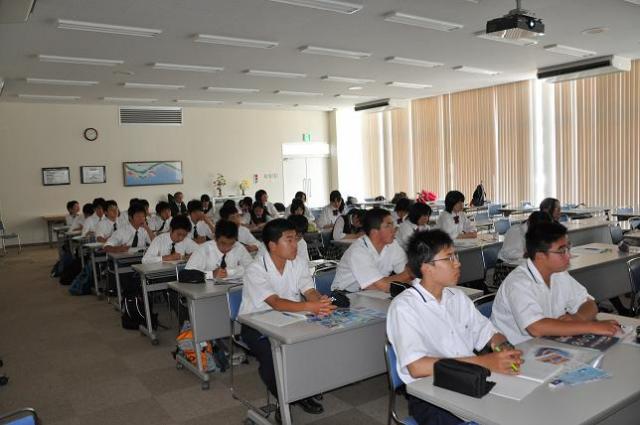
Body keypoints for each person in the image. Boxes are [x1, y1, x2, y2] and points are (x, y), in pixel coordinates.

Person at [387, 229, 522, 425]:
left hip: (469, 379)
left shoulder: (457, 297)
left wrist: (504, 348)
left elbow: (489, 333)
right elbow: (417, 367)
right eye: (449, 258)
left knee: (519, 408)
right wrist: (485, 362)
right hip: (430, 395)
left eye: (456, 256)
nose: (458, 263)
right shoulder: (404, 307)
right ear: (427, 267)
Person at [238, 219, 335, 416]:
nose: (295, 244)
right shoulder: (256, 269)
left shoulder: (297, 262)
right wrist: (310, 306)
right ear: (273, 245)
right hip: (256, 324)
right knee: (272, 357)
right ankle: (286, 401)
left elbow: (309, 290)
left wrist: (320, 301)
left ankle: (304, 389)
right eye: (289, 240)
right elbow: (275, 302)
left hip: (291, 318)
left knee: (316, 342)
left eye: (296, 239)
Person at [491, 221, 620, 345]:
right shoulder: (518, 283)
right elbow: (537, 327)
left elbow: (589, 303)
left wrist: (578, 318)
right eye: (562, 251)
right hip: (514, 351)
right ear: (540, 256)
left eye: (568, 248)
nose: (569, 256)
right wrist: (590, 326)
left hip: (548, 343)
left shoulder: (558, 274)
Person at [332, 208, 412, 293]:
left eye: (393, 225)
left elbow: (405, 273)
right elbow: (382, 286)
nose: (394, 229)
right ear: (374, 232)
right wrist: (410, 273)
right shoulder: (358, 251)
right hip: (345, 294)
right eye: (388, 226)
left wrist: (409, 274)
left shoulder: (392, 245)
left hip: (372, 292)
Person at [493, 211, 553, 287]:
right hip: (505, 268)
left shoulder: (535, 232)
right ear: (530, 223)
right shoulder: (516, 231)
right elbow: (506, 253)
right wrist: (525, 254)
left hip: (521, 266)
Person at [185, 220, 253, 280]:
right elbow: (185, 275)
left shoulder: (238, 247)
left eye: (231, 243)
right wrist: (211, 274)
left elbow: (252, 268)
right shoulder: (204, 249)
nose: (227, 248)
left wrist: (231, 272)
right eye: (223, 243)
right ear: (215, 238)